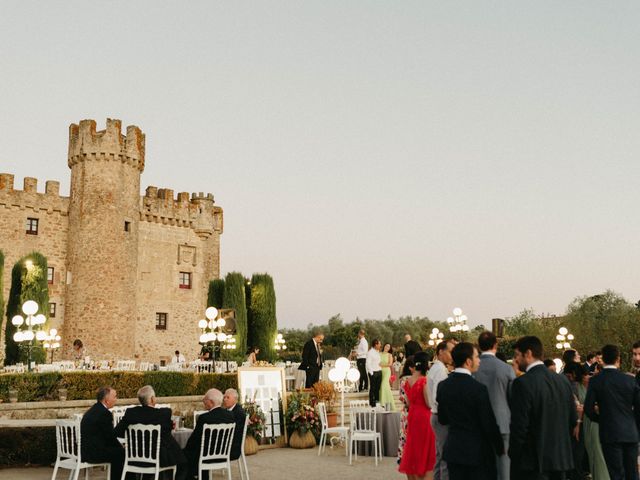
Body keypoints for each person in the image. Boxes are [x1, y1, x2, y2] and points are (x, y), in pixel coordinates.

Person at [509, 336, 577, 480]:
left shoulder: (522, 383)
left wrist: (514, 455)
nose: (515, 360)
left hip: (533, 462)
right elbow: (572, 419)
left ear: (528, 353)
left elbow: (519, 426)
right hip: (561, 459)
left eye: (517, 355)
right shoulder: (562, 381)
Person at [437, 342, 504, 480]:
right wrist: (499, 446)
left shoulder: (443, 386)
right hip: (477, 453)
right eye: (476, 357)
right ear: (468, 361)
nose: (479, 360)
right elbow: (488, 423)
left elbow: (442, 419)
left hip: (454, 450)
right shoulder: (478, 389)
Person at [584, 344, 640, 480]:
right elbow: (638, 408)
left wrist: (601, 419)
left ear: (602, 359)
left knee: (616, 473)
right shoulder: (630, 380)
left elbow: (588, 409)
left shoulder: (596, 381)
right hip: (630, 433)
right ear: (618, 359)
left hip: (609, 433)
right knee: (632, 472)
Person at [114, 385, 187, 480]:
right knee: (182, 462)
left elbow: (117, 432)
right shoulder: (163, 413)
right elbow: (167, 430)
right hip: (158, 458)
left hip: (135, 458)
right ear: (152, 399)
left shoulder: (130, 413)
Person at [474, 331, 515, 480]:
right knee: (504, 467)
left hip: (478, 424)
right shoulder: (506, 368)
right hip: (502, 422)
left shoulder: (473, 368)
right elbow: (513, 397)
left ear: (479, 346)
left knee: (482, 467)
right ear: (495, 344)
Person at [398, 351, 436, 480]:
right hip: (424, 417)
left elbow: (408, 402)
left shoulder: (408, 380)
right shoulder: (424, 380)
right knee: (426, 448)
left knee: (414, 447)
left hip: (413, 416)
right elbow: (429, 403)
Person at [183, 388, 235, 479]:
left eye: (205, 399)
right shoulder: (230, 415)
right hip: (224, 456)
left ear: (211, 402)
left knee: (182, 456)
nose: (203, 401)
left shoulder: (204, 418)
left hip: (205, 457)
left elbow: (193, 441)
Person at [80, 386, 124, 480]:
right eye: (115, 397)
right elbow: (110, 437)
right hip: (94, 454)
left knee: (118, 452)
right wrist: (122, 447)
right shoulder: (104, 413)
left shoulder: (93, 410)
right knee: (122, 453)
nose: (116, 399)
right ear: (107, 400)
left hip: (86, 452)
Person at [427, 340, 453, 480]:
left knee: (439, 455)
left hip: (436, 414)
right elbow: (439, 396)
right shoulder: (440, 370)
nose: (452, 355)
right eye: (450, 351)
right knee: (445, 457)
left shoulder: (437, 368)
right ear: (441, 352)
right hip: (440, 415)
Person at [562, 362, 589, 480]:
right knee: (578, 450)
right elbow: (576, 405)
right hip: (577, 422)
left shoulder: (575, 384)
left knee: (578, 451)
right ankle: (577, 474)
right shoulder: (573, 385)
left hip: (579, 421)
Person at [397, 357, 415, 465]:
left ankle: (404, 456)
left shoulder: (403, 379)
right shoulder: (413, 379)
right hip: (413, 410)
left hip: (405, 411)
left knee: (405, 435)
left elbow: (401, 397)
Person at [223, 388, 247, 462]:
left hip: (232, 449)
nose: (225, 399)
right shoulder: (229, 411)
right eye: (224, 397)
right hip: (227, 445)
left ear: (235, 400)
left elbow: (234, 433)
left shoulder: (238, 413)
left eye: (228, 397)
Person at [380, 343, 396, 411]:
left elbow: (390, 364)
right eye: (386, 346)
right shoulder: (379, 353)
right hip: (380, 371)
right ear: (384, 346)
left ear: (390, 349)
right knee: (382, 387)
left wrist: (381, 365)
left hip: (386, 372)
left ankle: (383, 403)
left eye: (388, 347)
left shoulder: (389, 355)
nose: (387, 347)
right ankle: (387, 403)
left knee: (384, 385)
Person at [366, 339, 382, 407]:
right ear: (376, 345)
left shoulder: (378, 351)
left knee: (378, 388)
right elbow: (368, 364)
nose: (380, 345)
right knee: (373, 388)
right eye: (379, 344)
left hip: (379, 371)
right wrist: (372, 373)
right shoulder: (370, 353)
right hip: (373, 372)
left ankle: (377, 401)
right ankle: (372, 403)